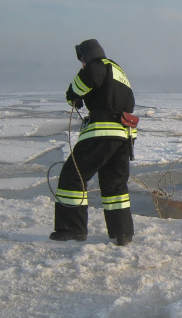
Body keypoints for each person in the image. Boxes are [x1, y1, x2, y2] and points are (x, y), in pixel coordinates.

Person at [50, 39, 137, 246]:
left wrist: (73, 95)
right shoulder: (120, 72)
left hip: (101, 131)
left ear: (86, 57)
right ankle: (122, 233)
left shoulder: (98, 66)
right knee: (115, 185)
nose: (82, 64)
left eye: (82, 60)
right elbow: (129, 103)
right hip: (123, 135)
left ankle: (72, 230)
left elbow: (83, 81)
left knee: (73, 176)